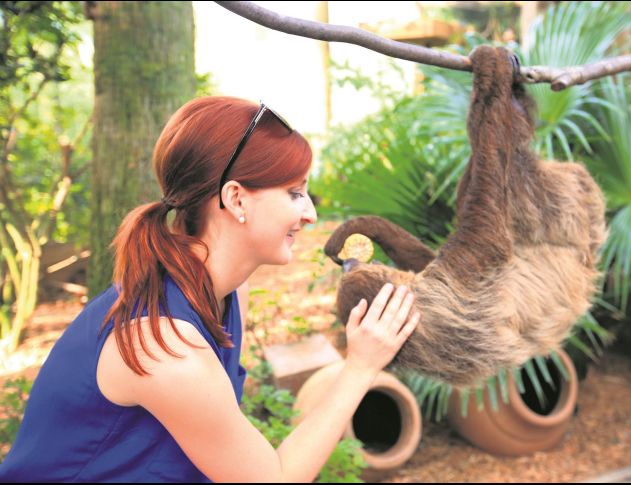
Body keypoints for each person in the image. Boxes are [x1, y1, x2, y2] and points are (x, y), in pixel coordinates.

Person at [0, 96, 420, 482]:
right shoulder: (166, 346)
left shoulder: (225, 291)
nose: (310, 213)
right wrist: (361, 366)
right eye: (295, 193)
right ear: (236, 199)